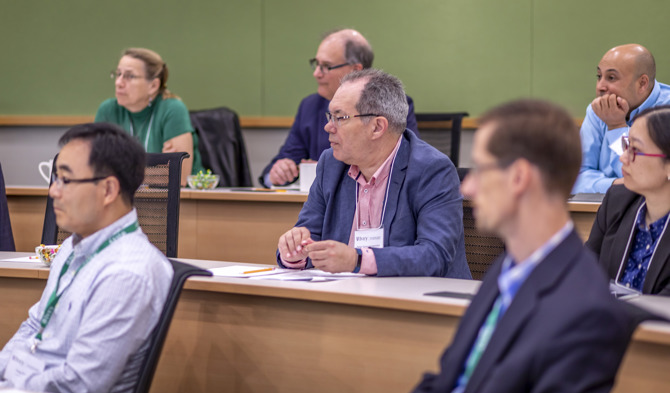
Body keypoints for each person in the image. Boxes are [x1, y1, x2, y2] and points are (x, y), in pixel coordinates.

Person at [413, 99, 632, 392]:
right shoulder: (506, 269)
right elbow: (447, 380)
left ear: (519, 177)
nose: (467, 187)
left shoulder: (586, 312)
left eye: (480, 169)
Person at [0, 123, 172, 392]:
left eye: (65, 180)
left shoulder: (127, 273)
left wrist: (11, 387)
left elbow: (79, 384)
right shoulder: (71, 246)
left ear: (108, 190)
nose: (53, 191)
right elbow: (34, 324)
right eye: (55, 179)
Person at [276, 69, 469, 278]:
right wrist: (295, 252)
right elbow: (308, 236)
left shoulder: (432, 170)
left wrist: (357, 260)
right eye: (329, 116)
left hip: (418, 301)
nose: (328, 126)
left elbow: (435, 255)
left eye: (340, 117)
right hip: (346, 296)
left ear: (377, 127)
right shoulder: (330, 164)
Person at [259, 29, 419, 188]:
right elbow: (284, 161)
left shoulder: (391, 105)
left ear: (356, 70)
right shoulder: (309, 107)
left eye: (326, 66)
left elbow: (406, 163)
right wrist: (278, 173)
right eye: (316, 64)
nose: (316, 73)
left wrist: (328, 170)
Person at [586, 105, 670, 296]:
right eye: (626, 146)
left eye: (636, 150)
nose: (623, 158)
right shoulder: (617, 200)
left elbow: (663, 308)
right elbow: (583, 270)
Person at [95, 47, 204, 185]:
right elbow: (96, 169)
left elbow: (179, 177)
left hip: (185, 202)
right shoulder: (108, 110)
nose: (118, 83)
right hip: (127, 200)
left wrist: (118, 169)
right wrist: (158, 170)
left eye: (129, 76)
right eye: (118, 74)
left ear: (153, 85)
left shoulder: (172, 109)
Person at [573, 44, 670, 194]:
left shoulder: (666, 112)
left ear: (642, 83)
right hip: (603, 211)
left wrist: (616, 127)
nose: (600, 86)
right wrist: (618, 185)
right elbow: (576, 178)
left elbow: (646, 177)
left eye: (611, 78)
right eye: (599, 76)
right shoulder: (597, 111)